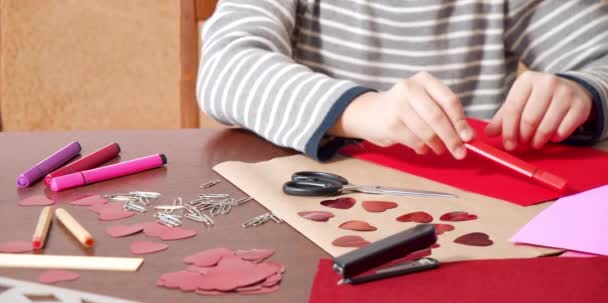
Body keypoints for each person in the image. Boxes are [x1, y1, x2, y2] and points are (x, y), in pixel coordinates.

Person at [197, 0, 608, 161]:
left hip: (473, 209)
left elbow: (600, 63)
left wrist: (582, 93)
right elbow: (224, 68)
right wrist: (359, 109)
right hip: (312, 200)